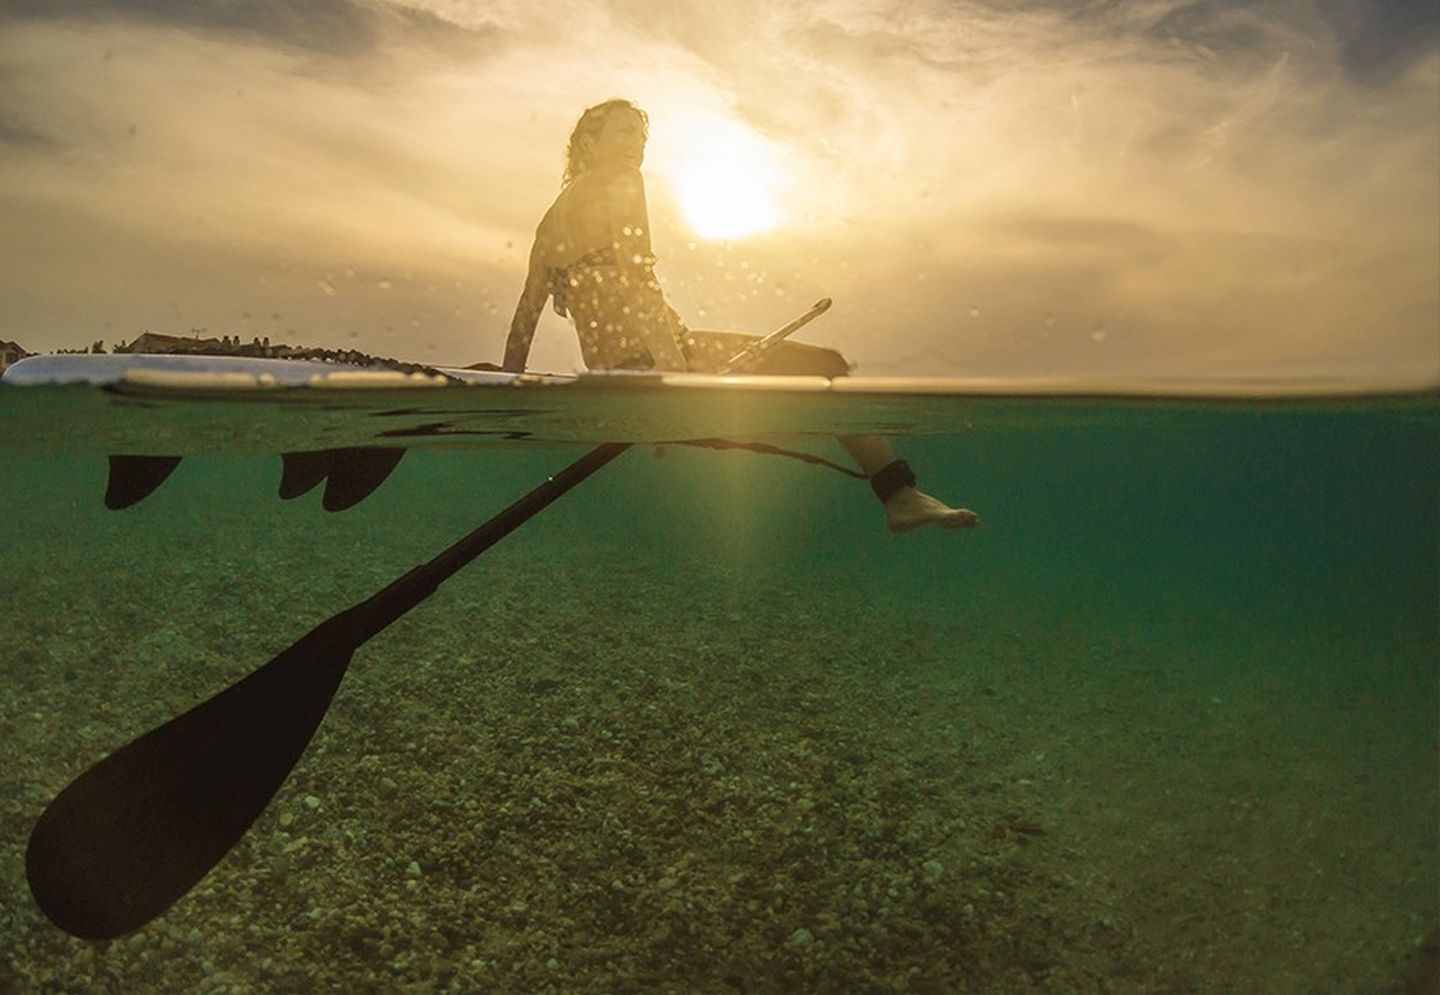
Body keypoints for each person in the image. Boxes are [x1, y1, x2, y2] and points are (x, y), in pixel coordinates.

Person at [503, 99, 978, 534]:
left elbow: (525, 316)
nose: (637, 148)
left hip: (612, 372)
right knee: (827, 365)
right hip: (661, 358)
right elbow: (636, 278)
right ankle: (900, 496)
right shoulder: (623, 181)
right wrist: (675, 374)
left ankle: (896, 491)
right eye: (624, 133)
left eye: (642, 139)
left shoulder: (550, 221)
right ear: (588, 142)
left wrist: (508, 385)